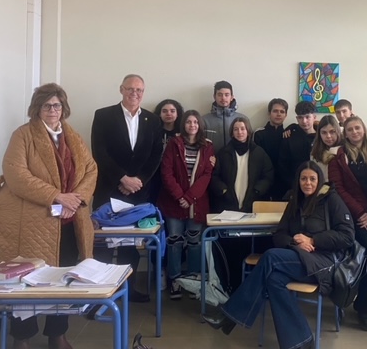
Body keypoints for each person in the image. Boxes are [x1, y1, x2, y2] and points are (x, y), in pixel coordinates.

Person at [0, 83, 97, 349]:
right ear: (37, 108)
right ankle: (22, 337)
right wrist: (57, 196)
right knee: (26, 280)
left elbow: (90, 169)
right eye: (46, 105)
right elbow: (16, 174)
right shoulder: (22, 135)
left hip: (68, 220)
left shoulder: (73, 136)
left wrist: (76, 199)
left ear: (63, 108)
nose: (52, 110)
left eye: (57, 105)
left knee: (64, 278)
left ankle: (57, 334)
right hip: (30, 223)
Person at [203, 161, 355, 349]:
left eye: (312, 179)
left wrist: (313, 240)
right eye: (304, 179)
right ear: (298, 181)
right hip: (299, 259)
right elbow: (279, 234)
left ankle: (229, 317)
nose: (308, 183)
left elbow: (347, 236)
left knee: (270, 257)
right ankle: (302, 341)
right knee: (273, 279)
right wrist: (294, 242)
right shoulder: (295, 202)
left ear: (319, 180)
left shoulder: (331, 200)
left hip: (324, 264)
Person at [91, 74, 163, 303]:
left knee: (130, 245)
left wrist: (137, 181)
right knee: (103, 245)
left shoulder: (153, 120)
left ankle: (127, 289)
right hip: (108, 190)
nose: (134, 93)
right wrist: (122, 179)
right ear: (121, 89)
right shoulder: (103, 116)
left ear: (144, 92)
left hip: (137, 193)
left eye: (139, 90)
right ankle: (99, 294)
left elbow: (155, 155)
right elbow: (99, 152)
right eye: (130, 89)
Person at [328, 116, 367, 332]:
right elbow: (338, 188)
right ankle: (364, 310)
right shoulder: (338, 157)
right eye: (350, 129)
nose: (354, 132)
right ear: (345, 133)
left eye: (357, 128)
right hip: (353, 217)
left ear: (363, 129)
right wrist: (361, 213)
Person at [209, 117, 274, 287]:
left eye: (243, 129)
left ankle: (251, 285)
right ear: (232, 132)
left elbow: (268, 175)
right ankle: (231, 284)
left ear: (248, 131)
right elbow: (213, 176)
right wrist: (223, 190)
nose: (240, 132)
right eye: (236, 129)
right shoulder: (223, 153)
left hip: (250, 207)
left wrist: (257, 190)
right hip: (228, 207)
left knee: (249, 248)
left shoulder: (259, 152)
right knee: (231, 250)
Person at [158, 110, 215, 299]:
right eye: (189, 122)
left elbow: (207, 175)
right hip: (174, 202)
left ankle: (192, 280)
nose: (192, 125)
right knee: (174, 242)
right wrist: (179, 196)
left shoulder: (208, 146)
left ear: (200, 125)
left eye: (195, 122)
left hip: (197, 203)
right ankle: (175, 280)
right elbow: (166, 173)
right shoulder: (173, 144)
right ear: (183, 124)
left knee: (194, 243)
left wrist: (189, 197)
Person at [276, 101, 317, 200]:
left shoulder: (321, 137)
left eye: (307, 117)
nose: (304, 121)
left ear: (314, 117)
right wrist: (294, 184)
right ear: (297, 118)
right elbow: (282, 165)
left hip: (318, 187)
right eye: (300, 118)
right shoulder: (289, 137)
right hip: (294, 187)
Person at [202, 80, 247, 153]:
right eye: (220, 95)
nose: (223, 98)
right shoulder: (204, 120)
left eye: (227, 95)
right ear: (214, 96)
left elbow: (248, 143)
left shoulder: (242, 119)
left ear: (232, 97)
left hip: (236, 159)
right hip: (212, 159)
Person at [310, 114, 342, 179]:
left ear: (338, 131)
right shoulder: (315, 153)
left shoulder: (346, 149)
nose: (328, 136)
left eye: (332, 132)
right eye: (324, 133)